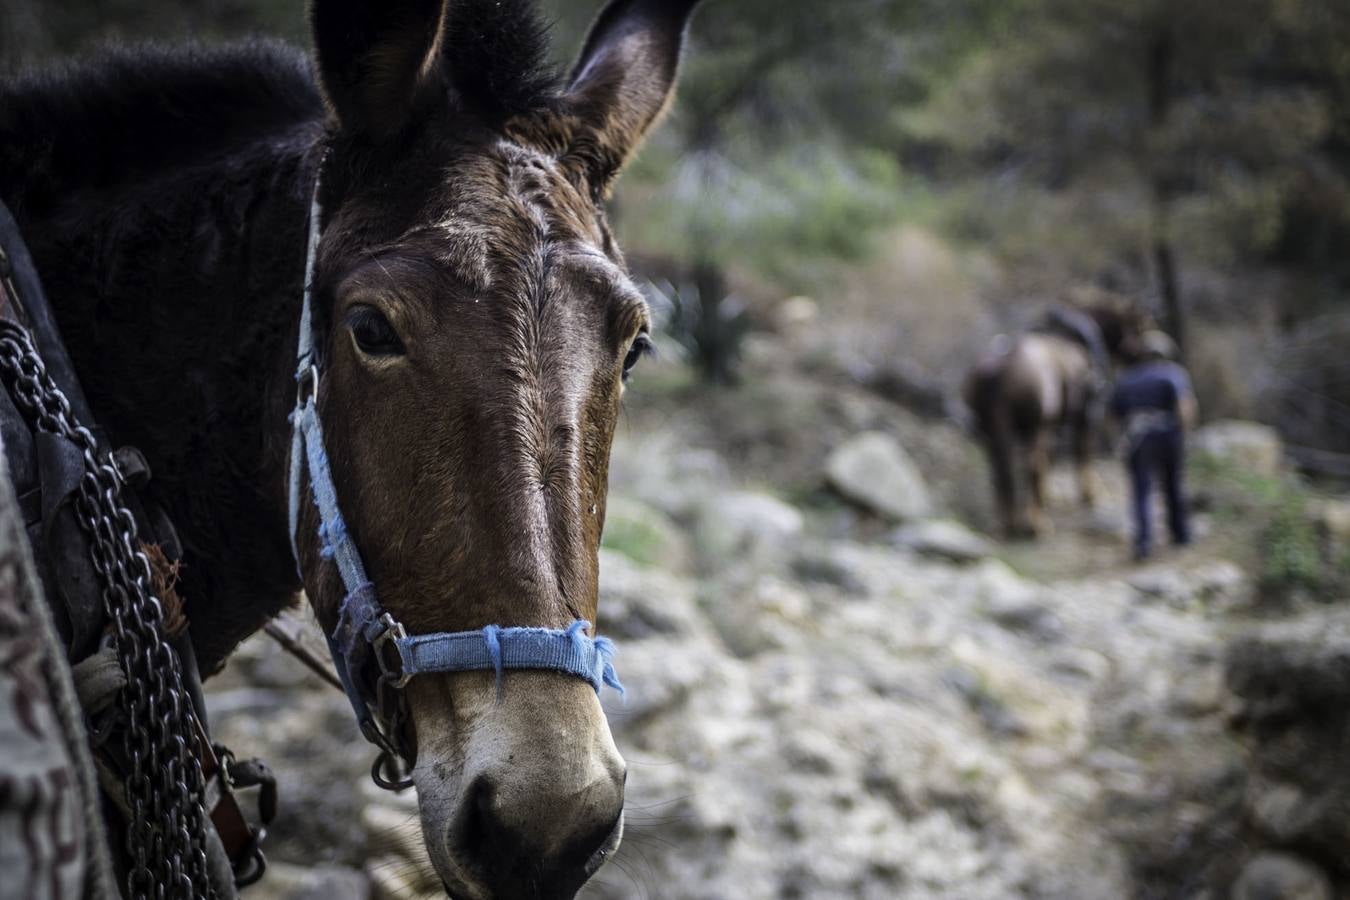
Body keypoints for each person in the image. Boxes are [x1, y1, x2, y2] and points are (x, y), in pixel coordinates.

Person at [1110, 331, 1197, 560]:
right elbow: (1184, 408)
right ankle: (1181, 535)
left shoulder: (1127, 378)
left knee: (1141, 490)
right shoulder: (1173, 374)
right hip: (1168, 434)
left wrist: (1120, 440)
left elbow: (1114, 415)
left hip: (1137, 437)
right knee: (1173, 486)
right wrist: (1185, 436)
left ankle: (1143, 542)